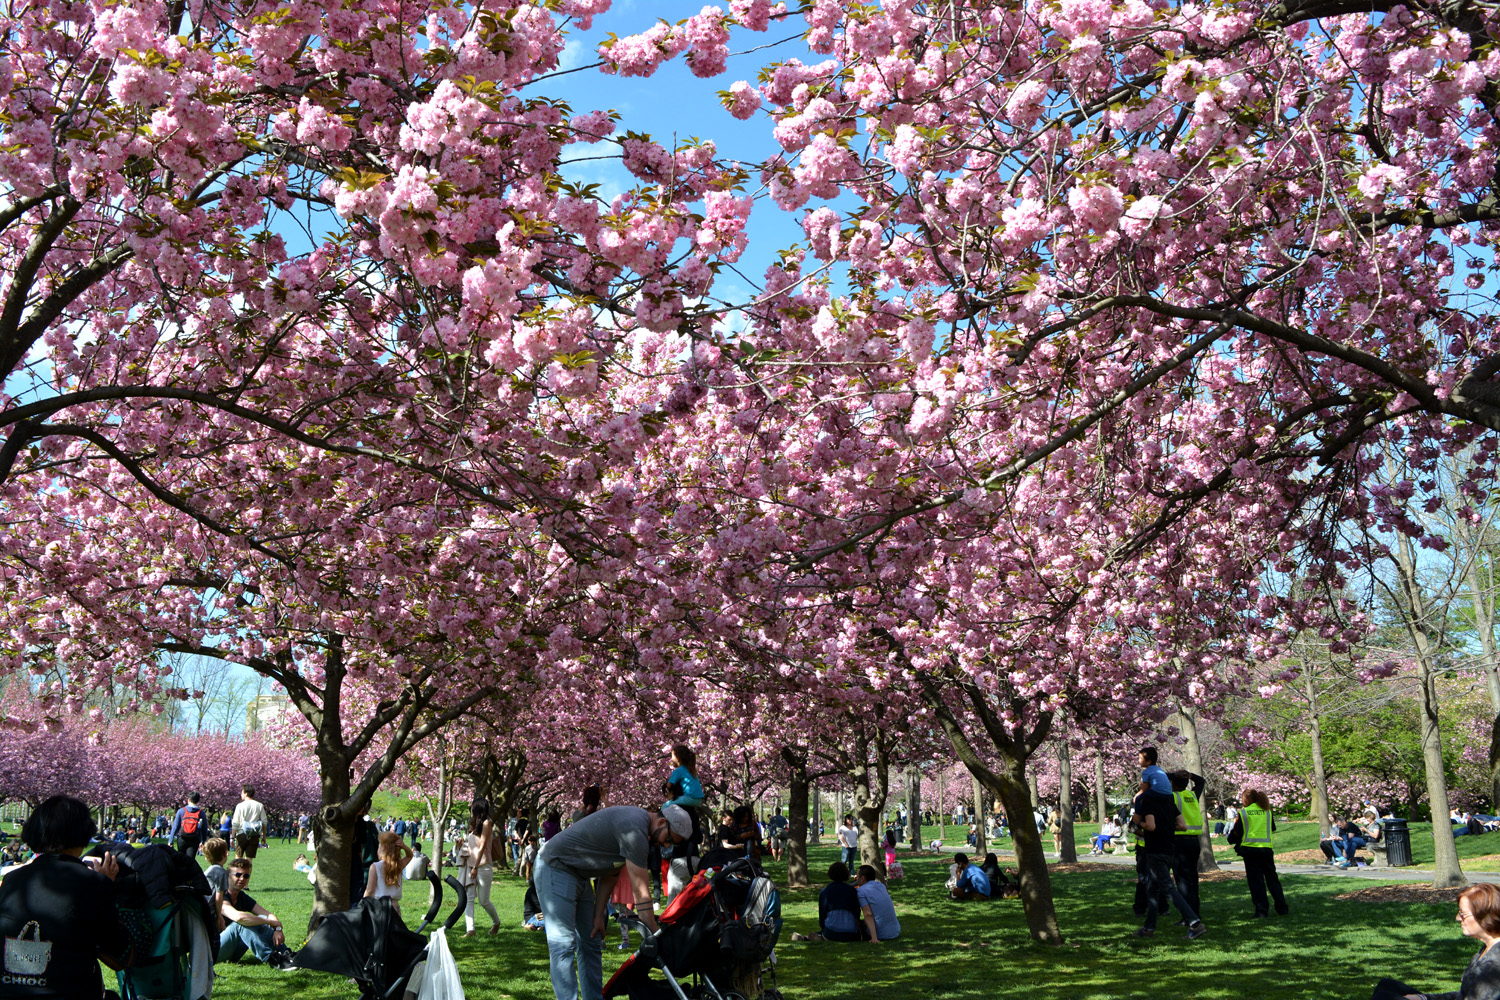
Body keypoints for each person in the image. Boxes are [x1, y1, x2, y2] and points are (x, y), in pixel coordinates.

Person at [534, 804, 689, 1000]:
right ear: (661, 822)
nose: (666, 846)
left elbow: (611, 874)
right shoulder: (634, 829)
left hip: (580, 875)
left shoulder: (638, 829)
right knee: (563, 944)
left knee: (592, 941)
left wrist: (599, 915)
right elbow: (642, 893)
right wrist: (655, 936)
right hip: (555, 867)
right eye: (668, 839)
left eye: (672, 844)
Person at [0, 795, 135, 998]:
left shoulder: (10, 880)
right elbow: (121, 953)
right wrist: (106, 884)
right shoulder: (93, 884)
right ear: (83, 834)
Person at [1370, 882, 1500, 1000]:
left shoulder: (1493, 966)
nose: (1458, 918)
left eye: (1463, 914)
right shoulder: (1487, 949)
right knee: (1387, 986)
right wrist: (1423, 998)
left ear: (1485, 916)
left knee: (1384, 997)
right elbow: (1463, 995)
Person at [1132, 789, 1206, 939]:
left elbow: (1150, 827)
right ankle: (1148, 928)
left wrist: (1138, 822)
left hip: (1155, 852)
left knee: (1168, 888)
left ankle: (1195, 923)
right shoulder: (1170, 804)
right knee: (1152, 890)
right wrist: (1166, 829)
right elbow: (1183, 826)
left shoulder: (1148, 805)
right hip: (1170, 850)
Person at [218, 858, 296, 970]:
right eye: (238, 875)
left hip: (232, 952)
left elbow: (267, 914)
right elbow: (238, 917)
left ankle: (286, 954)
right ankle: (272, 959)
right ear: (228, 876)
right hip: (213, 952)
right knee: (240, 925)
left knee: (258, 923)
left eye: (246, 876)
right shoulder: (220, 896)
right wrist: (269, 922)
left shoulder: (242, 897)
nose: (242, 879)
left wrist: (278, 928)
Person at [1227, 786, 1289, 918]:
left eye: (1242, 798)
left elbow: (1237, 832)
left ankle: (1261, 910)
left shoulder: (1244, 813)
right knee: (1272, 880)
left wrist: (1231, 839)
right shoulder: (1267, 812)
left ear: (1247, 799)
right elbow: (1271, 828)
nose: (1241, 801)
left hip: (1250, 850)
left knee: (1256, 882)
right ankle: (1282, 907)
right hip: (1266, 849)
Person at [790, 861, 861, 942]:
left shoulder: (825, 891)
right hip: (851, 932)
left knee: (826, 932)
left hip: (831, 931)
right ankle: (811, 937)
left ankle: (807, 938)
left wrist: (824, 928)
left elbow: (822, 915)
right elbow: (856, 913)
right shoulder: (852, 891)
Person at [1169, 769, 1207, 917]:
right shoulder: (1192, 795)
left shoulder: (1171, 797)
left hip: (1178, 841)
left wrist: (1174, 775)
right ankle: (1195, 910)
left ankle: (1188, 915)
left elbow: (1157, 781)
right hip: (1194, 842)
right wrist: (1189, 775)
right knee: (1192, 877)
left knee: (1182, 880)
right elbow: (1201, 781)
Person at [460, 797, 500, 937]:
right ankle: (470, 929)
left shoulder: (487, 822)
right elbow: (472, 845)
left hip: (482, 866)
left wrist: (476, 867)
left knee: (483, 901)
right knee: (468, 899)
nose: (470, 809)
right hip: (470, 866)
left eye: (472, 807)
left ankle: (496, 922)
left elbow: (482, 845)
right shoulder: (473, 824)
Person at [364, 831, 414, 916]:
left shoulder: (375, 866)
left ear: (383, 848)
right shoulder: (398, 865)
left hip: (380, 908)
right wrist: (404, 846)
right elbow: (409, 856)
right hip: (395, 908)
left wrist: (363, 905)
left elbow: (370, 890)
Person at [854, 864, 900, 942]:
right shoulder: (881, 886)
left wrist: (874, 938)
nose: (856, 878)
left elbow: (868, 914)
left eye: (857, 876)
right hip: (895, 931)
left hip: (880, 933)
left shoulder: (861, 891)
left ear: (862, 878)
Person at [231, 785, 268, 860]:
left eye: (242, 793)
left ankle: (238, 871)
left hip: (242, 833)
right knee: (249, 858)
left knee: (238, 857)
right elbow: (264, 822)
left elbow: (235, 822)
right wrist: (264, 836)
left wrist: (232, 837)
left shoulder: (240, 806)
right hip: (254, 834)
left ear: (246, 793)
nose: (241, 794)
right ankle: (247, 872)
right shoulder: (259, 805)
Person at [202, 837, 231, 932]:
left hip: (202, 908)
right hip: (210, 911)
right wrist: (219, 916)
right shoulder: (221, 872)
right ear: (225, 854)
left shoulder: (210, 870)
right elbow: (219, 897)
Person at [169, 792, 208, 857]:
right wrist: (203, 841)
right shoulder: (201, 813)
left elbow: (175, 826)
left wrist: (170, 840)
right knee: (190, 860)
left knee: (181, 859)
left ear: (189, 799)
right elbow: (204, 829)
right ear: (198, 800)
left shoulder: (181, 811)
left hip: (182, 839)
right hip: (194, 839)